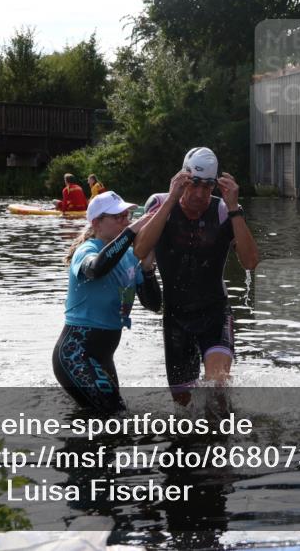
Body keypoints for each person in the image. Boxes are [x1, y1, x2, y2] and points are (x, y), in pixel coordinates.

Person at [133, 147, 259, 403]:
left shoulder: (225, 210)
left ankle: (224, 436)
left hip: (215, 313)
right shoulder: (158, 203)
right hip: (176, 318)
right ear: (182, 180)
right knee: (183, 404)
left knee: (217, 386)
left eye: (208, 186)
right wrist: (170, 201)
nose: (200, 194)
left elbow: (250, 262)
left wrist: (235, 209)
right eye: (194, 184)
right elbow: (140, 250)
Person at [53, 190, 162, 413]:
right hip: (76, 353)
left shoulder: (131, 257)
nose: (125, 221)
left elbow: (154, 305)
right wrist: (132, 231)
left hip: (103, 357)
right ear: (97, 223)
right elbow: (97, 269)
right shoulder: (86, 250)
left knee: (107, 421)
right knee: (115, 416)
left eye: (127, 216)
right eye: (118, 217)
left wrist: (148, 269)